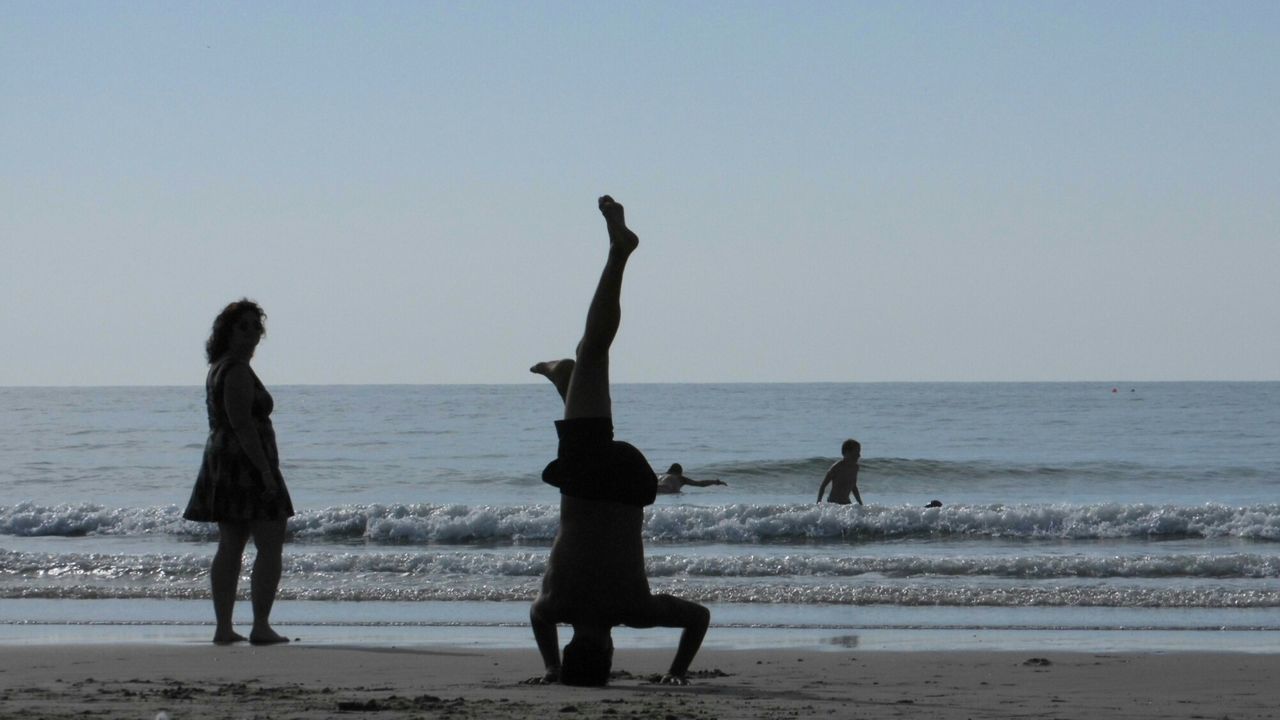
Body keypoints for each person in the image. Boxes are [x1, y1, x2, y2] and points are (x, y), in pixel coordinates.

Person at [527, 196, 711, 687]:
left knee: (587, 371)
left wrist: (677, 673)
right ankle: (619, 252)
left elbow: (699, 618)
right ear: (571, 649)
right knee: (593, 348)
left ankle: (567, 382)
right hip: (586, 478)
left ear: (607, 651)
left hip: (633, 484)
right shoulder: (556, 606)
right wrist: (549, 667)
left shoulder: (635, 611)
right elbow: (537, 619)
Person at [183, 299, 294, 645]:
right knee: (269, 540)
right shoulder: (235, 371)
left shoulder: (221, 367)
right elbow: (242, 424)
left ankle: (225, 627)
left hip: (224, 462)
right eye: (242, 327)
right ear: (227, 332)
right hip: (243, 463)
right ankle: (259, 625)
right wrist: (265, 472)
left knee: (231, 544)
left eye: (255, 327)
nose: (251, 334)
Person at [816, 438, 863, 505]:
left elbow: (853, 486)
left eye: (859, 452)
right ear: (846, 453)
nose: (859, 455)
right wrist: (818, 503)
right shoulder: (836, 467)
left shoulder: (855, 468)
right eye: (856, 453)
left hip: (846, 502)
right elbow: (823, 486)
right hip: (833, 503)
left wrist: (860, 503)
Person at [656, 463, 726, 494]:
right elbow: (699, 484)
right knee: (679, 494)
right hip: (667, 489)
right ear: (679, 473)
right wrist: (715, 482)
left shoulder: (660, 476)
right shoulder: (680, 478)